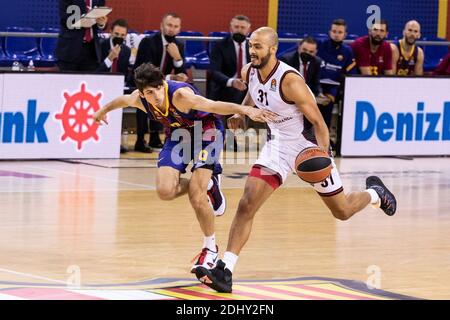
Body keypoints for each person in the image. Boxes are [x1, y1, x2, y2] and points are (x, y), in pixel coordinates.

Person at [195, 27, 397, 293]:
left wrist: (323, 155)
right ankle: (226, 270)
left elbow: (318, 121)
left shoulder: (290, 81)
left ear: (272, 49)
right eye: (251, 46)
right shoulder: (249, 71)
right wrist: (244, 111)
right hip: (278, 145)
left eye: (258, 47)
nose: (253, 51)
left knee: (342, 211)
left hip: (307, 147)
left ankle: (374, 193)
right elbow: (253, 93)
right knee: (247, 202)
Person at [93, 63, 276, 273]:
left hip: (207, 132)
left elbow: (214, 105)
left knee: (197, 196)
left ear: (163, 84)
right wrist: (102, 111)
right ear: (143, 93)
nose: (156, 96)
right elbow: (121, 100)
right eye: (149, 93)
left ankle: (210, 248)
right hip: (178, 136)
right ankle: (208, 185)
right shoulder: (140, 99)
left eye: (158, 89)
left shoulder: (181, 96)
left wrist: (244, 109)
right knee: (165, 191)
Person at [133, 13, 188, 152]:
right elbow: (146, 71)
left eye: (175, 26)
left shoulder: (179, 45)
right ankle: (140, 140)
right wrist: (171, 77)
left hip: (163, 85)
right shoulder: (149, 41)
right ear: (161, 26)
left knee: (174, 95)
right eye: (169, 25)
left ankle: (156, 137)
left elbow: (183, 73)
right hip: (143, 81)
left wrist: (178, 58)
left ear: (179, 29)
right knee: (147, 97)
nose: (172, 29)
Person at [317, 19, 356, 128]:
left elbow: (350, 74)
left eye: (340, 32)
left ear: (345, 35)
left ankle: (325, 138)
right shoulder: (320, 45)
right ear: (330, 32)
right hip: (315, 85)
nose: (336, 35)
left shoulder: (347, 52)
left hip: (333, 88)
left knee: (327, 104)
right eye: (334, 31)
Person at [56, 0, 108, 71]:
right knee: (67, 81)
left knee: (89, 81)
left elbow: (101, 21)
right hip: (70, 50)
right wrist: (83, 22)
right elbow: (65, 20)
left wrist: (101, 24)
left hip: (92, 50)